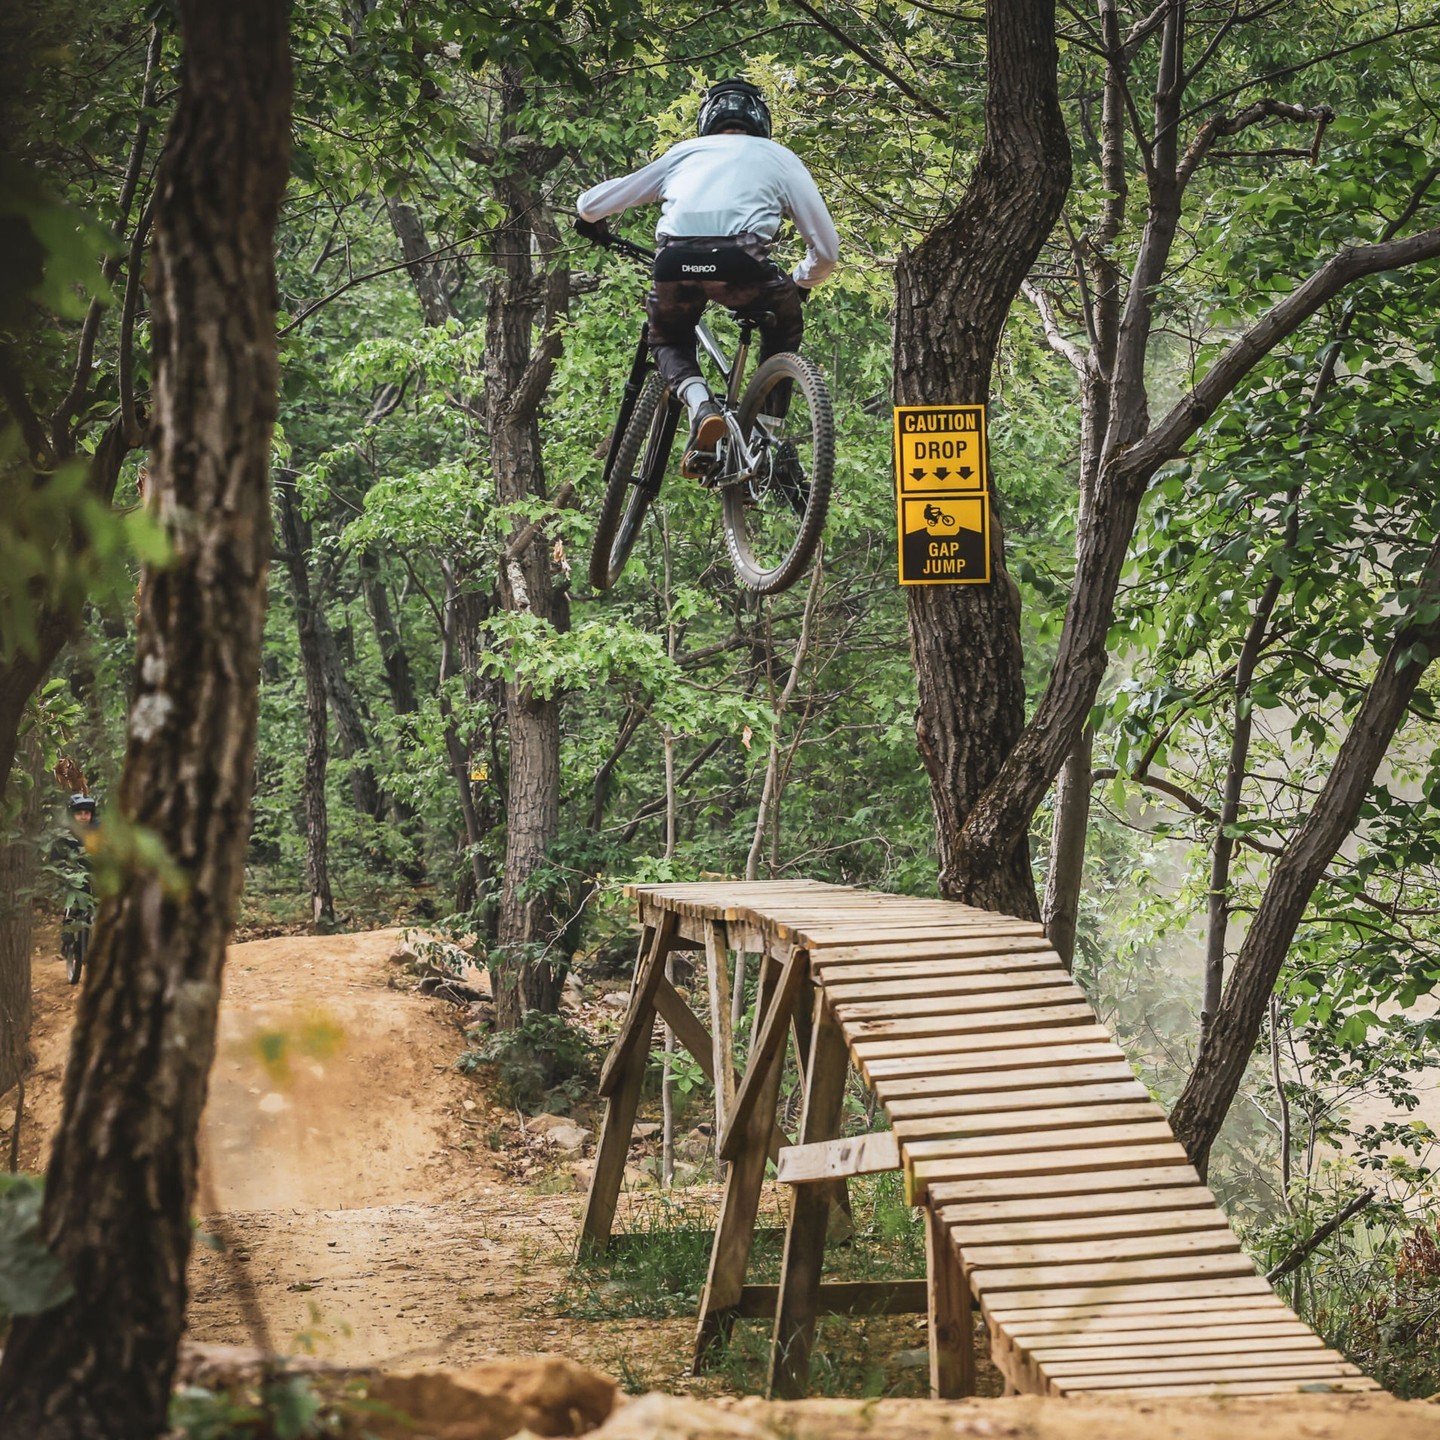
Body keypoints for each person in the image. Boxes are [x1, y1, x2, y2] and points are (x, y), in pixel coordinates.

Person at [576, 79, 840, 477]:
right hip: (743, 265)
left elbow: (593, 204)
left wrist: (588, 220)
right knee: (783, 327)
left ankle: (701, 406)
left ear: (706, 120)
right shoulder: (779, 158)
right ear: (761, 122)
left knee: (666, 338)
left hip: (675, 263)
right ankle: (763, 439)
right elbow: (826, 252)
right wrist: (800, 282)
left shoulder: (684, 153)